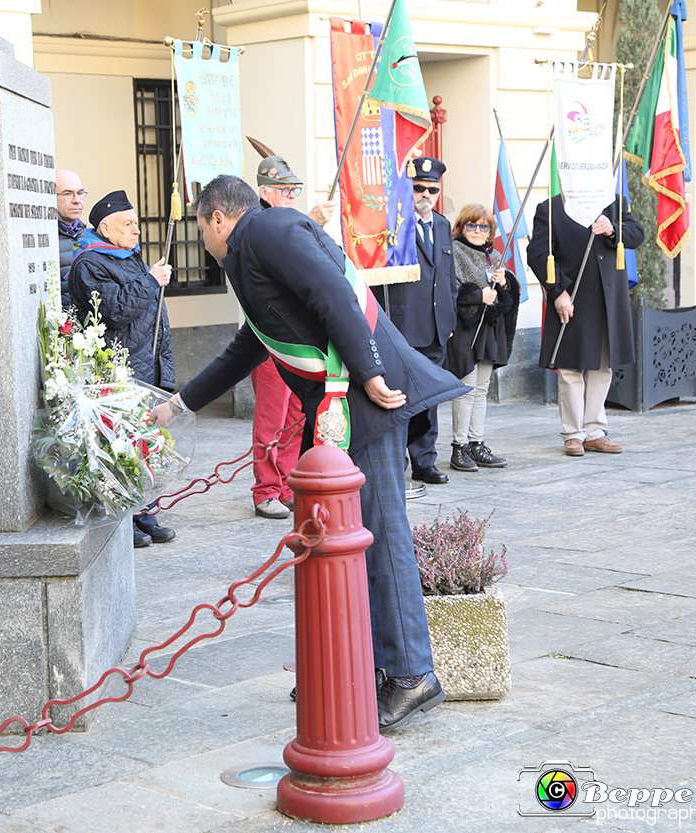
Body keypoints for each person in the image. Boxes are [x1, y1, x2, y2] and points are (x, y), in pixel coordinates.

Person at [155, 174, 467, 732]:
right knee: (335, 543)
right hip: (336, 410)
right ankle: (360, 665)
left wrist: (369, 372)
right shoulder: (251, 252)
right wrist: (182, 403)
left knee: (382, 538)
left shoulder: (270, 229)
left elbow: (332, 293)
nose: (201, 238)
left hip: (362, 400)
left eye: (200, 227)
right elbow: (251, 343)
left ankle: (411, 675)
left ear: (218, 218)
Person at [68, 189, 175, 548]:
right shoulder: (90, 264)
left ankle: (145, 512)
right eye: (128, 224)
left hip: (148, 366)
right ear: (105, 227)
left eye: (137, 224)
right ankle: (120, 519)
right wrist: (151, 280)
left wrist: (167, 373)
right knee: (119, 447)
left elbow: (156, 320)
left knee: (146, 446)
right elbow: (114, 311)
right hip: (120, 370)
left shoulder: (131, 257)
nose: (137, 231)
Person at [248, 155, 333, 520]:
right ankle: (265, 488)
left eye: (294, 189)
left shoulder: (289, 222)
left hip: (300, 339)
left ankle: (283, 483)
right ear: (265, 192)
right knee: (271, 418)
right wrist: (310, 223)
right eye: (284, 189)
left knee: (297, 414)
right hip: (271, 339)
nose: (291, 195)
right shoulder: (260, 226)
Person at [527, 193, 644, 456]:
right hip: (572, 298)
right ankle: (573, 434)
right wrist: (558, 292)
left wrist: (614, 229)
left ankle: (594, 432)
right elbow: (537, 254)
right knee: (570, 369)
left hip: (607, 299)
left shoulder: (614, 202)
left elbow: (637, 234)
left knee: (603, 367)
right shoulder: (551, 208)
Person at [383, 157, 456, 484]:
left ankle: (425, 462)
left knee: (430, 397)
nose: (426, 193)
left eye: (433, 188)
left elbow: (448, 276)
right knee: (399, 398)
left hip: (436, 328)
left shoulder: (441, 224)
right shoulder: (393, 223)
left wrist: (450, 315)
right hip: (402, 326)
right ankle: (396, 463)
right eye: (419, 187)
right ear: (408, 189)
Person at [444, 205, 520, 471]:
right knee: (466, 389)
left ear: (491, 232)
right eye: (472, 225)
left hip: (489, 329)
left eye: (483, 226)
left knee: (482, 390)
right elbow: (448, 289)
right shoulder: (453, 251)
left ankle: (477, 444)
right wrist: (478, 296)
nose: (478, 231)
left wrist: (504, 283)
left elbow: (506, 297)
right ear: (461, 227)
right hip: (465, 329)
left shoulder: (495, 255)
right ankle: (459, 447)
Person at [55, 170, 87, 310]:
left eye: (80, 193)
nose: (77, 200)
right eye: (67, 194)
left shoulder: (92, 237)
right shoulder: (46, 239)